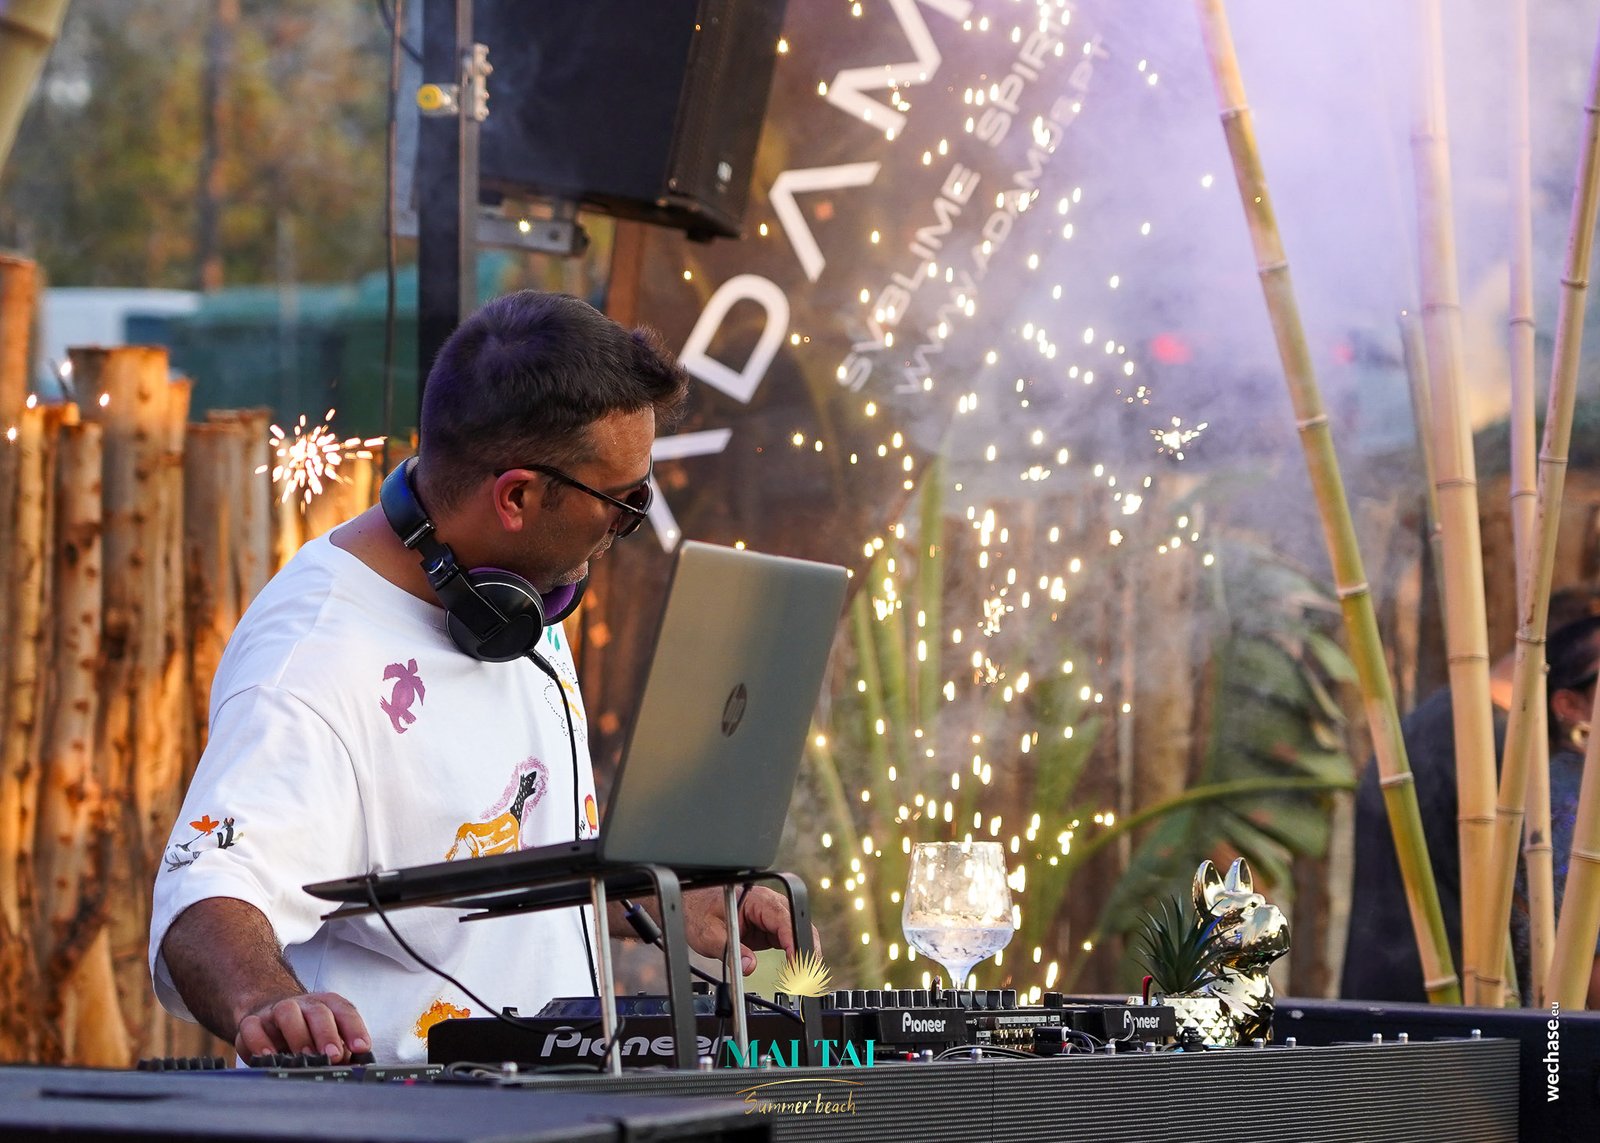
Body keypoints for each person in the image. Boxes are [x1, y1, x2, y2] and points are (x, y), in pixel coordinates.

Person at [150, 291, 810, 1065]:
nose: (627, 525)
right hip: (406, 1115)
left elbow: (493, 855)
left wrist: (650, 894)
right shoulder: (312, 662)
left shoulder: (513, 599)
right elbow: (205, 893)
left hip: (552, 1101)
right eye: (622, 502)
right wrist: (268, 1001)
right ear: (517, 496)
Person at [1342, 608, 1600, 1005]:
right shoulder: (1548, 780)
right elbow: (1582, 966)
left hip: (1409, 1002)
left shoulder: (1457, 723)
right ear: (1567, 701)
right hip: (1457, 1012)